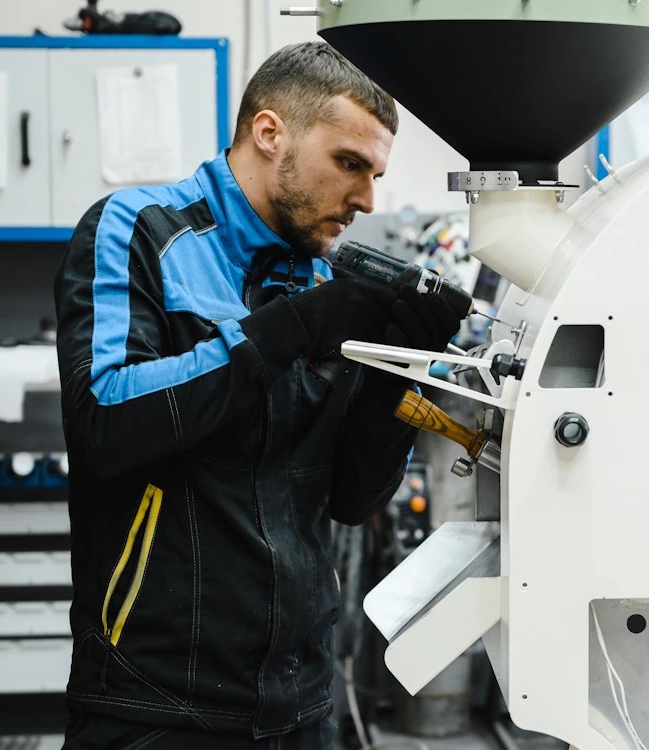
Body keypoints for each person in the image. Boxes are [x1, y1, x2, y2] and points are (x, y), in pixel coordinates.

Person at [54, 41, 462, 749]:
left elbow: (351, 499)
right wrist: (290, 330)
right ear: (270, 133)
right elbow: (106, 417)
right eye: (349, 164)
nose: (367, 199)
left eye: (376, 174)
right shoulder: (138, 230)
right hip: (153, 703)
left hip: (299, 704)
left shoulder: (321, 280)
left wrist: (396, 378)